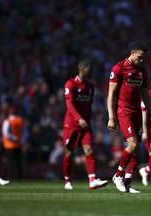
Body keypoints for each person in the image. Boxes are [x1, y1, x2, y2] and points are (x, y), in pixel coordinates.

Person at [107, 41, 151, 193]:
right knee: (133, 144)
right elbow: (110, 95)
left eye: (144, 58)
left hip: (137, 112)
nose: (142, 60)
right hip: (123, 112)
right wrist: (111, 117)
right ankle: (118, 176)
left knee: (136, 151)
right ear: (133, 52)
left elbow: (146, 96)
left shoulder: (142, 72)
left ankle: (128, 183)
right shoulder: (118, 68)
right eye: (140, 57)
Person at [62, 59, 108, 190]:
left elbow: (88, 107)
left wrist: (88, 122)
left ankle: (92, 180)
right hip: (71, 124)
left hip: (85, 125)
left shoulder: (90, 87)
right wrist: (79, 119)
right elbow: (69, 104)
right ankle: (67, 181)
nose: (92, 72)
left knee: (89, 150)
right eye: (90, 69)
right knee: (69, 152)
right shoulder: (70, 84)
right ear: (83, 69)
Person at [2, 107, 24, 179]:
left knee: (11, 163)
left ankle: (12, 177)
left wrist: (14, 139)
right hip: (18, 144)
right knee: (18, 163)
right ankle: (19, 178)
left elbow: (6, 133)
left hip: (9, 145)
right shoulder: (20, 120)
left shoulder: (7, 121)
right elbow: (24, 131)